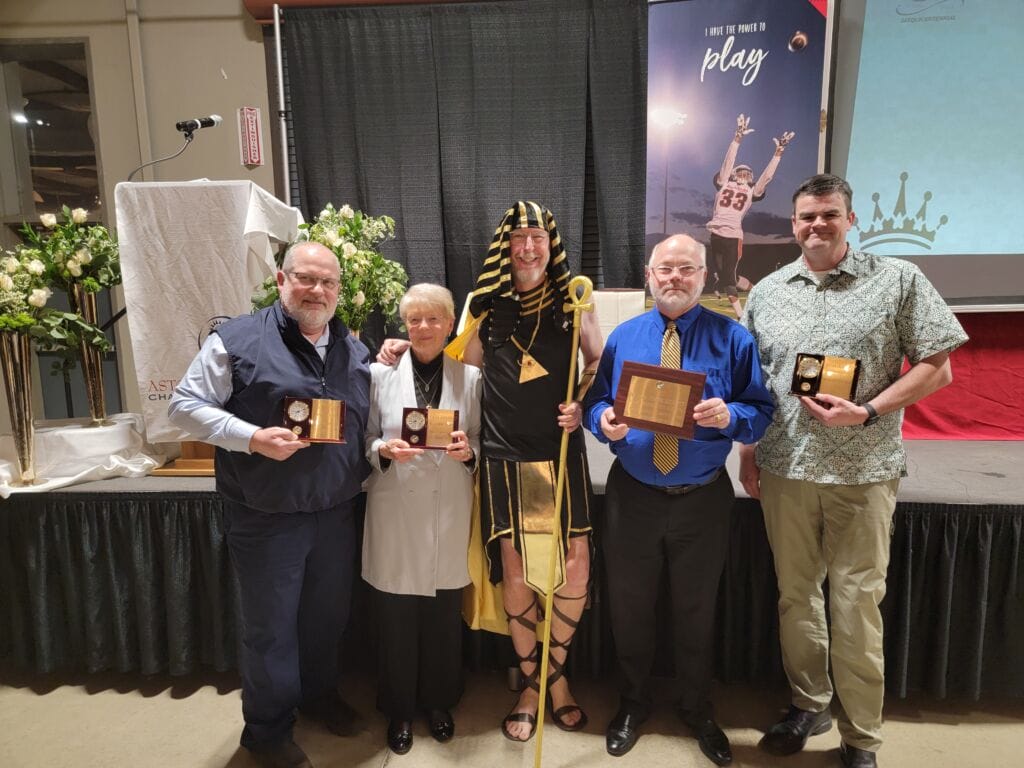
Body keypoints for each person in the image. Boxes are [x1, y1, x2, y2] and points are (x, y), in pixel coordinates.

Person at [739, 174, 968, 768]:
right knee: (796, 598)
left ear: (850, 219)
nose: (817, 225)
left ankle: (861, 737)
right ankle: (809, 703)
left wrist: (867, 410)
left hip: (863, 472)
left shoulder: (896, 279)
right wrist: (746, 452)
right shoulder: (766, 291)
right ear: (793, 224)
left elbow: (938, 367)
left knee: (856, 604)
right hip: (785, 466)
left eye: (829, 215)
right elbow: (755, 384)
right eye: (807, 217)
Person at [378, 201, 602, 743]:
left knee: (573, 571)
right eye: (519, 237)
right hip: (504, 457)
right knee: (519, 572)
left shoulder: (576, 299)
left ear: (552, 245)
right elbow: (457, 365)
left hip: (559, 453)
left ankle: (556, 677)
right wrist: (410, 344)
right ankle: (532, 685)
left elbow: (597, 361)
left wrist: (582, 402)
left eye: (538, 238)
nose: (528, 247)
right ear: (506, 246)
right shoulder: (484, 304)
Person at [169, 242, 370, 768]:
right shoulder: (235, 340)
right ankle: (267, 731)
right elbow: (183, 406)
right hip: (265, 515)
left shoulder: (353, 348)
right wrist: (252, 436)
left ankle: (320, 696)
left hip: (335, 511)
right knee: (270, 628)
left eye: (328, 282)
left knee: (327, 619)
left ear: (339, 290)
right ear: (281, 280)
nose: (317, 290)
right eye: (306, 279)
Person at [583, 234, 774, 766]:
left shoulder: (733, 338)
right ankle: (633, 702)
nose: (673, 278)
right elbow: (598, 401)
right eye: (664, 269)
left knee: (696, 608)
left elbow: (761, 408)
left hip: (702, 499)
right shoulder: (625, 337)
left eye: (685, 269)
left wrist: (731, 417)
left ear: (703, 276)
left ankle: (696, 706)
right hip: (633, 495)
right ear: (649, 274)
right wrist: (603, 422)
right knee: (629, 605)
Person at [362, 283, 481, 755]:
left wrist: (470, 451)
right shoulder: (378, 375)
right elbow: (366, 436)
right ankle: (399, 709)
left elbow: (481, 438)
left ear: (450, 324)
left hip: (449, 506)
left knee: (441, 620)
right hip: (396, 507)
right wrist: (381, 450)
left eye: (433, 319)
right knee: (395, 619)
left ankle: (439, 703)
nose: (424, 327)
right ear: (404, 326)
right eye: (414, 319)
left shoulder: (470, 378)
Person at [706, 113, 794, 316]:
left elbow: (767, 177)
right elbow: (727, 164)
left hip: (732, 236)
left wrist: (778, 154)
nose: (744, 175)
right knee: (729, 278)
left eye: (747, 174)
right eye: (741, 172)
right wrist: (737, 139)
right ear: (734, 174)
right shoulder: (724, 183)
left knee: (728, 278)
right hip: (716, 235)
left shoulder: (751, 191)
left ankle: (741, 316)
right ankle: (758, 292)